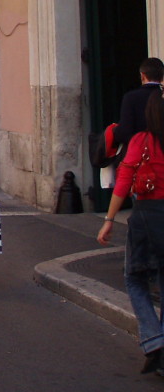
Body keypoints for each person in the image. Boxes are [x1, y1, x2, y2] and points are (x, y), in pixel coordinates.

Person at [98, 88, 164, 375]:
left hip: (146, 218)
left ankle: (153, 339)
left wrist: (109, 219)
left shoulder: (141, 141)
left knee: (134, 279)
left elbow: (124, 182)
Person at [115, 58, 164, 150]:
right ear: (162, 77)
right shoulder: (161, 96)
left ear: (142, 76)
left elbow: (124, 133)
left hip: (141, 156)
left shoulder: (130, 98)